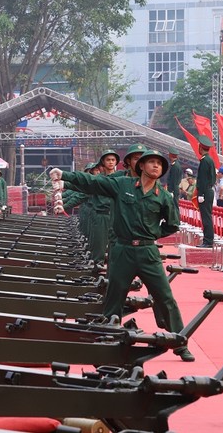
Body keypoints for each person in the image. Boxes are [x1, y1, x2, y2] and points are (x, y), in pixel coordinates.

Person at [49, 150, 194, 362]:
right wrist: (64, 175)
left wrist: (152, 234)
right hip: (122, 250)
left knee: (165, 298)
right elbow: (93, 182)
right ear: (141, 167)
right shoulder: (122, 186)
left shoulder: (163, 197)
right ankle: (107, 337)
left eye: (159, 164)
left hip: (147, 251)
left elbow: (172, 224)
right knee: (114, 297)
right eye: (151, 162)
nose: (156, 166)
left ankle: (180, 343)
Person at [196, 135, 216, 248]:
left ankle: (208, 240)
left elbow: (203, 179)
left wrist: (201, 194)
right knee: (207, 216)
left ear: (200, 147)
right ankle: (208, 239)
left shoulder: (205, 161)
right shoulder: (209, 160)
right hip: (208, 190)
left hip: (205, 192)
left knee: (206, 217)